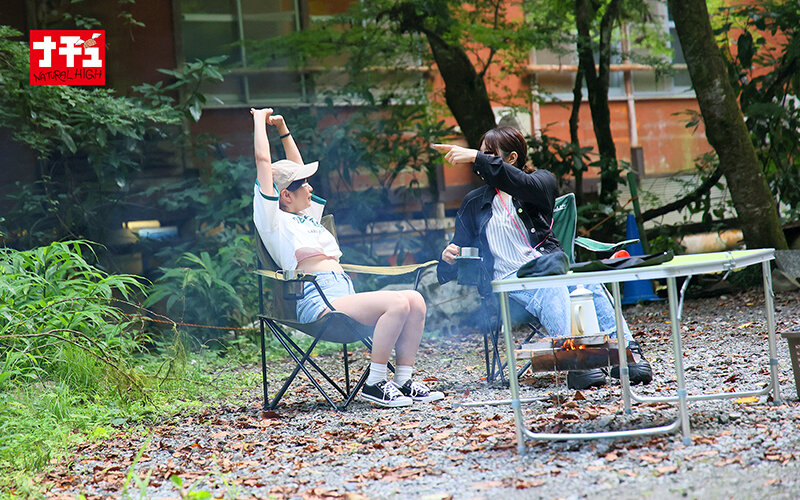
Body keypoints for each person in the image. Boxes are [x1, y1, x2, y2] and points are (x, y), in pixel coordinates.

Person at [251, 108, 443, 408]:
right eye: (303, 185)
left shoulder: (307, 216)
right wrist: (259, 120)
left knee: (415, 300)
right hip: (317, 300)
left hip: (343, 293)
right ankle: (375, 383)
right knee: (396, 303)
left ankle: (403, 380)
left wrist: (284, 130)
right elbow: (264, 163)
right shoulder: (273, 221)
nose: (311, 187)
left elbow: (298, 169)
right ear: (285, 196)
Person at [434, 127, 652, 390]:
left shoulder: (540, 183)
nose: (479, 161)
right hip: (507, 283)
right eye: (479, 155)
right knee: (551, 287)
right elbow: (459, 252)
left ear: (512, 158)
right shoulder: (474, 202)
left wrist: (474, 157)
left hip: (546, 268)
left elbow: (519, 183)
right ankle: (578, 360)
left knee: (589, 282)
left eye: (488, 155)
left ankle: (627, 353)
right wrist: (448, 256)